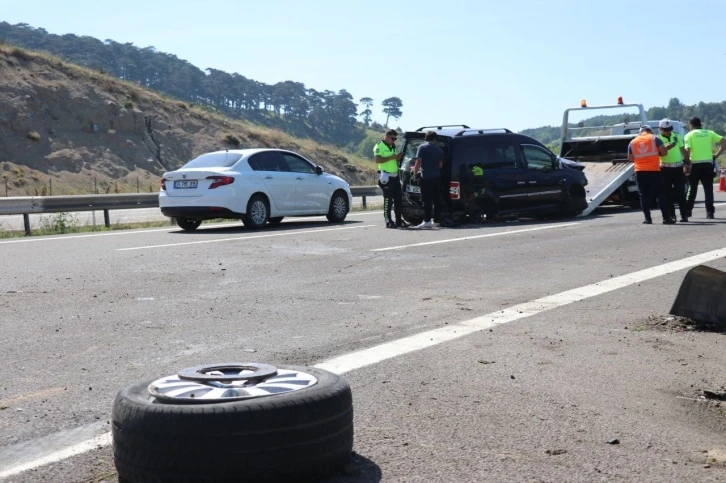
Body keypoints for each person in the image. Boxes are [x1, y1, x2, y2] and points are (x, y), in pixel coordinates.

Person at [628, 125, 672, 224]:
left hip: (640, 171)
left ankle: (647, 218)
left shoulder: (633, 142)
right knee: (660, 194)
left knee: (644, 195)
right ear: (650, 131)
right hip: (654, 170)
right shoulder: (655, 138)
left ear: (640, 132)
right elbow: (664, 153)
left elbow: (630, 158)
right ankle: (666, 218)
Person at [684, 116, 726, 219]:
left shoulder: (689, 135)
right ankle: (710, 212)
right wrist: (716, 155)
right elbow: (724, 141)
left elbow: (688, 150)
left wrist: (686, 163)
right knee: (708, 189)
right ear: (700, 124)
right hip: (707, 164)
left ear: (691, 125)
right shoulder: (709, 132)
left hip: (694, 164)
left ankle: (688, 211)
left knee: (691, 188)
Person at [656, 118, 691, 222]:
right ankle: (672, 215)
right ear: (660, 129)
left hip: (678, 167)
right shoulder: (657, 139)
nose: (668, 131)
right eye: (665, 129)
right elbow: (659, 152)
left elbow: (683, 149)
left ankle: (684, 215)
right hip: (664, 168)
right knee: (667, 194)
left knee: (681, 193)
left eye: (669, 129)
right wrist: (668, 146)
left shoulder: (677, 136)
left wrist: (687, 162)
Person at [374, 129, 406, 228]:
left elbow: (394, 159)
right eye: (393, 138)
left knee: (398, 200)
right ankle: (388, 221)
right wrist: (391, 158)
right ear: (387, 137)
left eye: (395, 139)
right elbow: (378, 160)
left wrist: (397, 157)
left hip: (395, 176)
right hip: (386, 177)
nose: (394, 140)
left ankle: (399, 221)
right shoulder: (379, 146)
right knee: (388, 200)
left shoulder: (392, 146)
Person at [412, 131, 444, 229]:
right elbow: (440, 165)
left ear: (425, 138)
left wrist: (415, 173)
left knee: (427, 200)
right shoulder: (439, 150)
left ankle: (427, 221)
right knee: (436, 199)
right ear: (435, 139)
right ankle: (437, 220)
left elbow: (418, 162)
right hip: (437, 177)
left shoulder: (422, 147)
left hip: (426, 177)